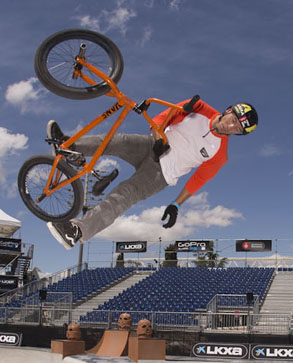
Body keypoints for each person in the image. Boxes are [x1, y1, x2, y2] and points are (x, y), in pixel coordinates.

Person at [45, 97, 258, 249]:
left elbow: (198, 180)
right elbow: (162, 118)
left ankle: (76, 232)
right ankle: (67, 147)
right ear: (228, 110)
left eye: (238, 129)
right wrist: (158, 140)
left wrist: (176, 205)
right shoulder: (199, 108)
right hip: (151, 145)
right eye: (233, 120)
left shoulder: (220, 154)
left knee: (123, 196)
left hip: (161, 174)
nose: (231, 127)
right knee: (115, 141)